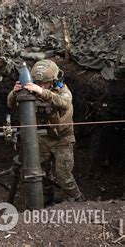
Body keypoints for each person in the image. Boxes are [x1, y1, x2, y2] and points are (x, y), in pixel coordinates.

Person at [7, 59, 84, 203]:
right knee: (42, 173)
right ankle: (47, 199)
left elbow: (64, 103)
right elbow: (11, 103)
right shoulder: (32, 89)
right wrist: (14, 92)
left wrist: (42, 92)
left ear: (54, 81)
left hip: (63, 139)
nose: (42, 85)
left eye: (46, 83)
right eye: (39, 83)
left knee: (64, 176)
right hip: (43, 139)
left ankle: (78, 201)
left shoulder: (63, 90)